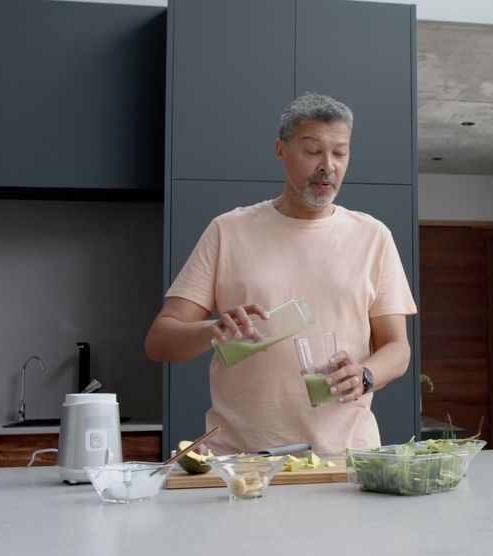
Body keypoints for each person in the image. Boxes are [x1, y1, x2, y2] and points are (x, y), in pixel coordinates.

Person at [144, 92, 417, 457]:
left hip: (347, 459)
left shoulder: (373, 236)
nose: (328, 166)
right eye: (312, 151)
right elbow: (159, 341)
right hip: (244, 460)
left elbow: (397, 349)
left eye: (340, 152)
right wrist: (213, 330)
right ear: (280, 150)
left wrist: (365, 375)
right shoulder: (228, 231)